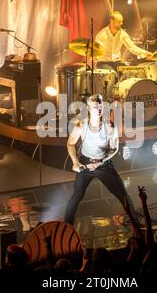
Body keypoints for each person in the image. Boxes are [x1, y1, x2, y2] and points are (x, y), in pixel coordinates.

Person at [64, 94, 138, 225]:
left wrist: (101, 161)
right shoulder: (81, 125)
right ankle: (66, 227)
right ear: (88, 108)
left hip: (103, 164)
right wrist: (75, 161)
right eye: (94, 107)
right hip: (86, 163)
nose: (98, 109)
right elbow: (70, 143)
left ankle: (137, 224)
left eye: (100, 106)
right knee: (76, 196)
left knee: (123, 196)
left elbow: (113, 148)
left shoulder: (110, 126)